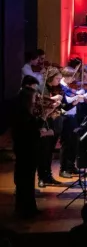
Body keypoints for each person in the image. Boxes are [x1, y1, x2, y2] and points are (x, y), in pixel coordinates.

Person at [12, 82, 42, 217]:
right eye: (34, 99)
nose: (36, 101)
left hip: (27, 150)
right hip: (26, 151)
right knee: (25, 181)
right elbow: (30, 133)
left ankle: (28, 207)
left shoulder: (23, 113)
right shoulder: (23, 115)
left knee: (27, 180)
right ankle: (26, 209)